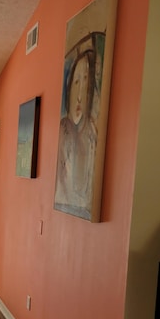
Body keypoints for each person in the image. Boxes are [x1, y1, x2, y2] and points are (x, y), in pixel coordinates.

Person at [54, 48, 98, 217]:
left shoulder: (92, 134)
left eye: (86, 83)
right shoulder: (63, 130)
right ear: (69, 87)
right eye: (77, 82)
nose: (79, 97)